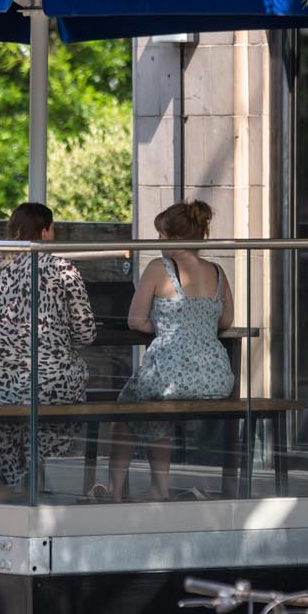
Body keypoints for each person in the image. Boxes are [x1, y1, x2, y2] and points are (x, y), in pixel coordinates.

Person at [103, 198, 234, 502]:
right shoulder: (217, 271)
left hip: (171, 374)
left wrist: (162, 325)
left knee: (126, 408)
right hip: (216, 377)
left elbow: (135, 321)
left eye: (161, 235)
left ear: (175, 238)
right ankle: (158, 488)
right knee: (155, 409)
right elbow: (226, 321)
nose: (158, 241)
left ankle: (116, 490)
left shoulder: (158, 268)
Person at [0, 202, 97, 502]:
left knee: (14, 412)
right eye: (52, 229)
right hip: (49, 380)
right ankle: (28, 474)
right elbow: (86, 333)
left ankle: (10, 482)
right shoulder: (62, 269)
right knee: (60, 392)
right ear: (44, 232)